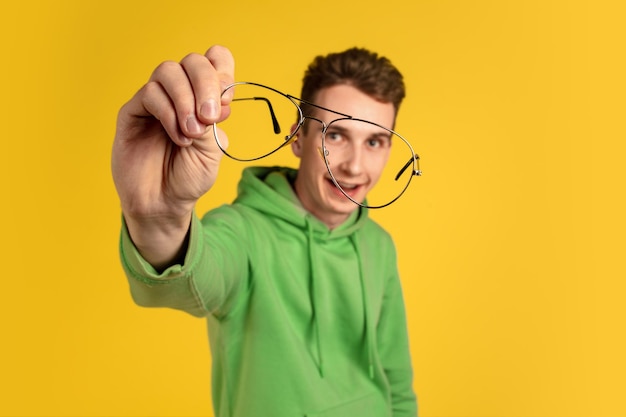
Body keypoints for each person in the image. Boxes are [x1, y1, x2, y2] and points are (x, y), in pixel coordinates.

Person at [112, 45, 418, 417]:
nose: (355, 167)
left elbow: (397, 385)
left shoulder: (378, 245)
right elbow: (192, 280)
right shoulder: (242, 232)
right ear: (298, 139)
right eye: (335, 136)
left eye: (374, 141)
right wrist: (159, 218)